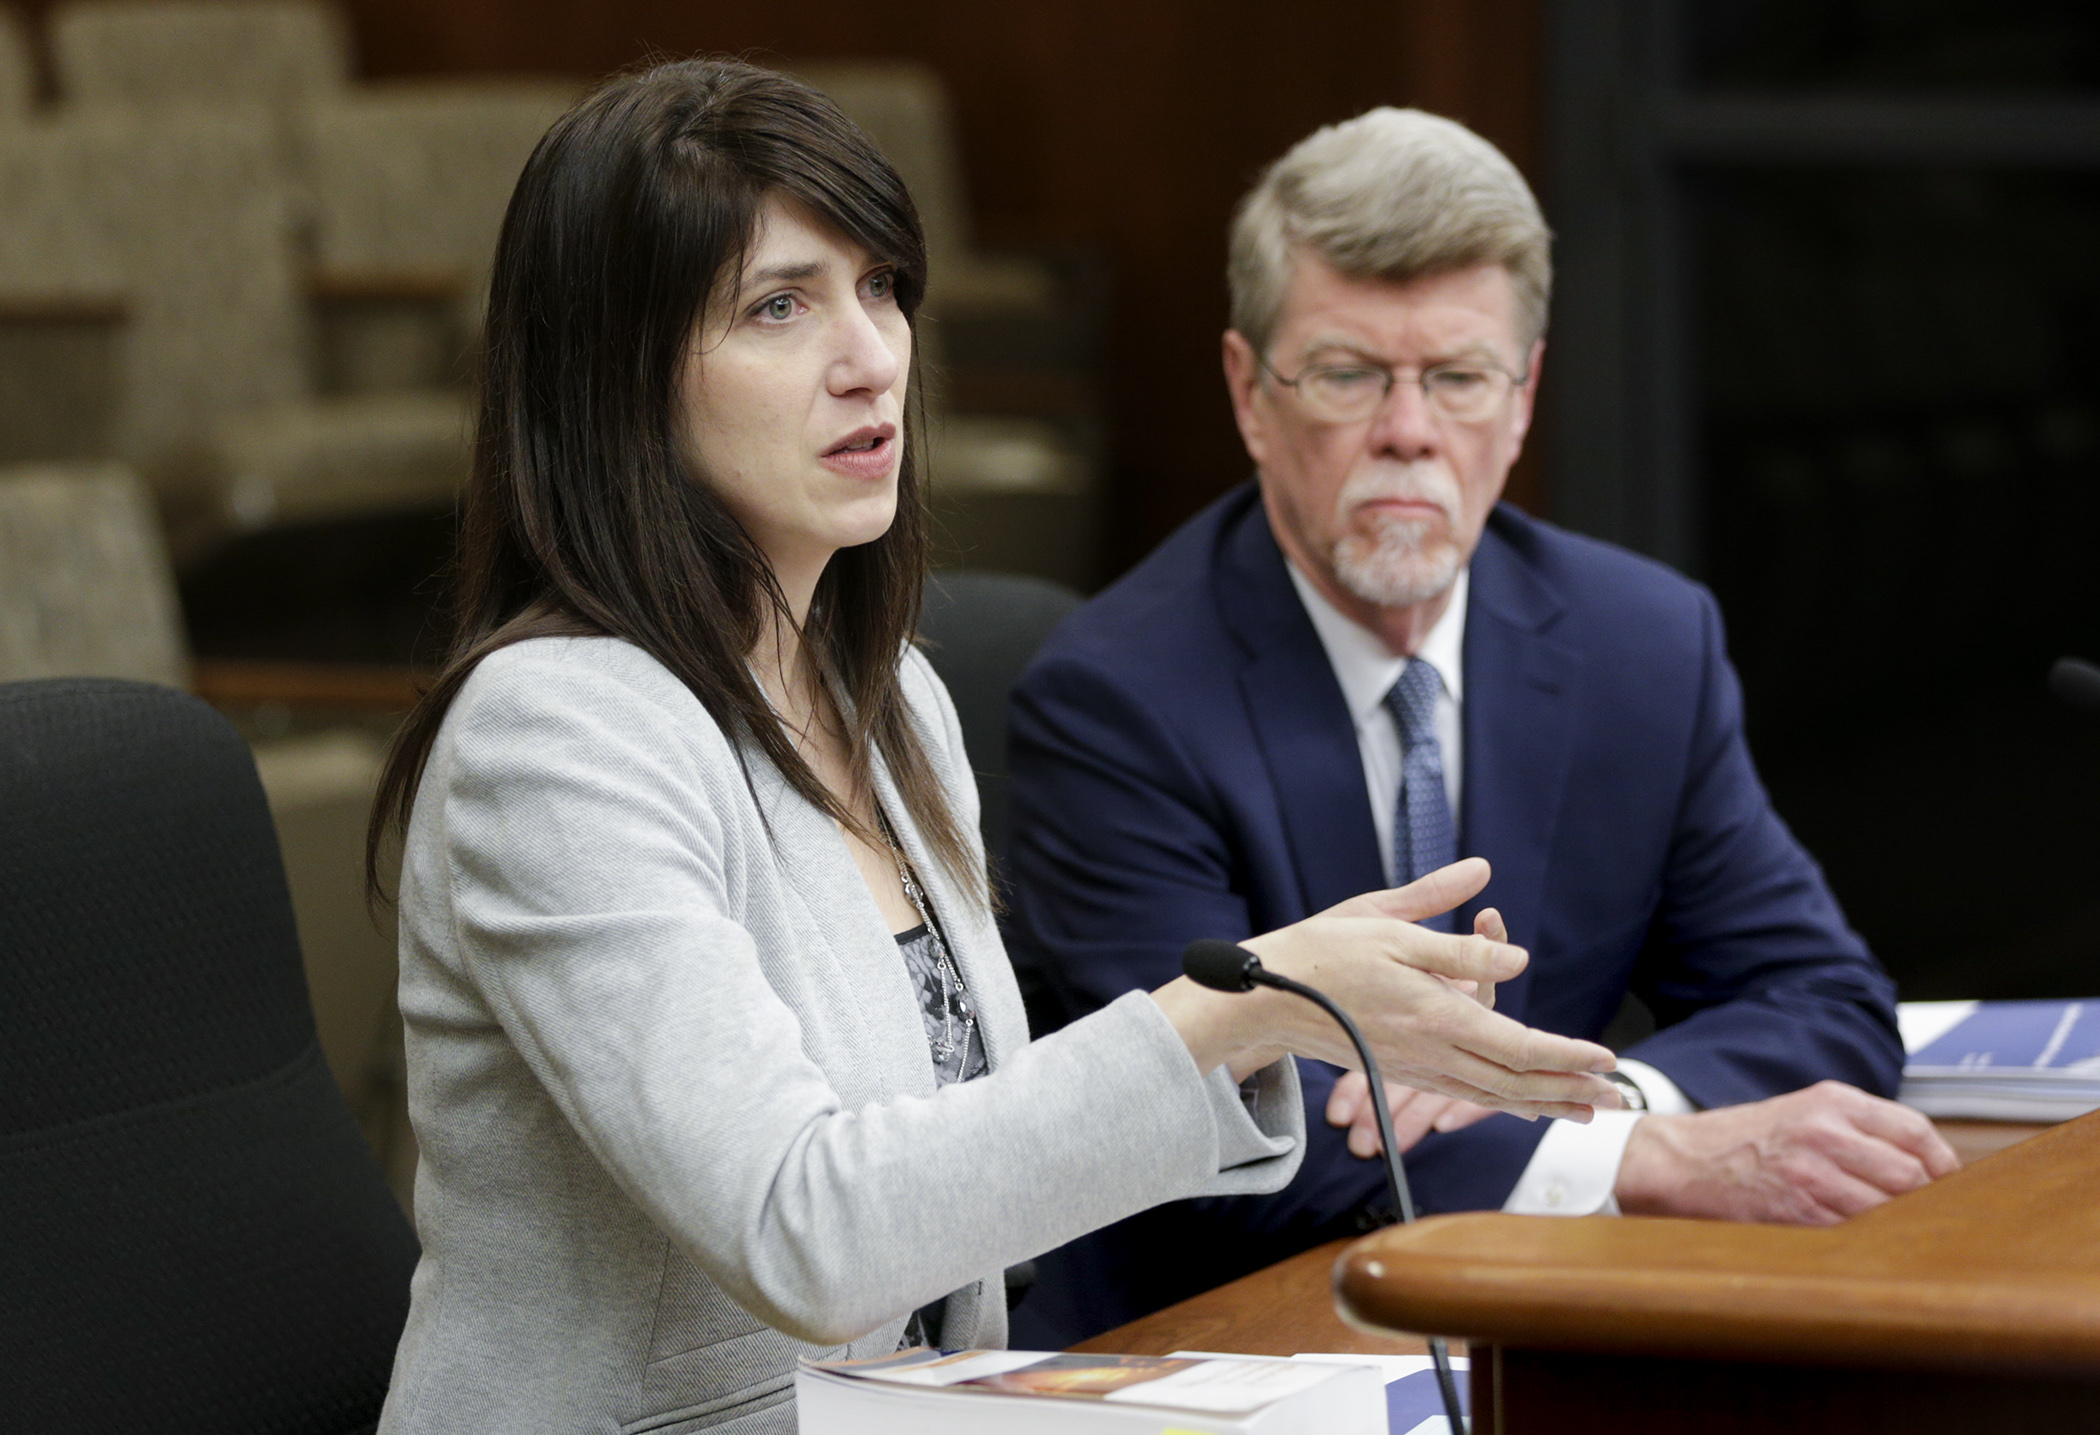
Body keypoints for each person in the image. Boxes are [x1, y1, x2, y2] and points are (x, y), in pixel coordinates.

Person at [363, 65, 1621, 1435]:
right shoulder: (554, 732)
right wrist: (1249, 1001)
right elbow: (808, 1226)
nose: (870, 355)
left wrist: (1289, 1018)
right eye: (780, 306)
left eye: (881, 285)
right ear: (617, 375)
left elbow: (957, 1196)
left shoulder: (888, 695)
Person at [1002, 107, 1961, 1346]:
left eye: (1456, 377)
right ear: (1250, 391)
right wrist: (1639, 1160)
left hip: (1553, 1328)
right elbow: (1206, 1126)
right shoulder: (1116, 694)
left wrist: (1589, 1096)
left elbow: (1821, 991)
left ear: (1522, 400)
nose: (1408, 430)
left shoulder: (1643, 643)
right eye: (1349, 373)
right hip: (1228, 1344)